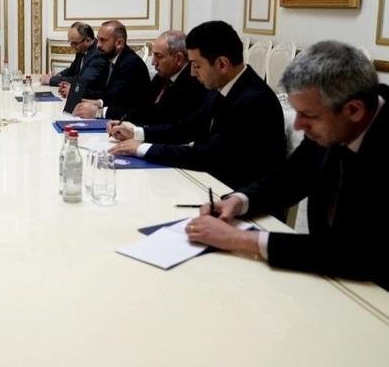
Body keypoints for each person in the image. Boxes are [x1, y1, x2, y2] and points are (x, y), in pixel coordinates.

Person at [185, 41, 389, 289]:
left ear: (353, 110)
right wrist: (239, 201)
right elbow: (293, 177)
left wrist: (240, 239)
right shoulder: (336, 119)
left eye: (308, 115)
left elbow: (357, 253)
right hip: (333, 279)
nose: (297, 125)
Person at [109, 20, 285, 190]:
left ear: (222, 64)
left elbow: (208, 156)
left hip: (233, 194)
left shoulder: (254, 101)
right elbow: (188, 127)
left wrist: (143, 149)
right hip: (209, 181)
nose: (192, 73)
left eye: (197, 65)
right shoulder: (222, 86)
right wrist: (138, 133)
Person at [73, 30, 207, 124]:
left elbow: (157, 116)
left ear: (178, 59)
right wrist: (100, 105)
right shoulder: (162, 76)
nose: (153, 62)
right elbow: (140, 106)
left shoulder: (193, 82)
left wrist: (100, 112)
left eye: (158, 56)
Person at [69, 20, 150, 109]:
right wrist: (78, 92)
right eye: (98, 39)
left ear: (119, 43)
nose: (98, 45)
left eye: (103, 40)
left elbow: (116, 98)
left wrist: (98, 106)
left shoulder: (131, 64)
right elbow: (104, 92)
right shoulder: (109, 58)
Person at [39, 22, 107, 98]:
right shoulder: (81, 50)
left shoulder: (98, 54)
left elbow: (82, 81)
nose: (72, 46)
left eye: (74, 43)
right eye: (70, 42)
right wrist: (58, 75)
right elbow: (71, 70)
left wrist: (51, 80)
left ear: (88, 40)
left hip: (92, 98)